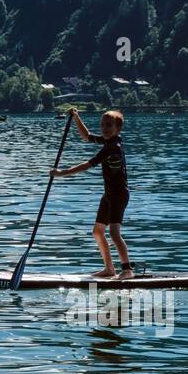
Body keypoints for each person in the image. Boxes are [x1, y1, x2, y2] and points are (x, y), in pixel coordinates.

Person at [51, 108, 133, 278]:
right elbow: (86, 136)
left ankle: (127, 270)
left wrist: (62, 173)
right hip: (109, 194)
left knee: (114, 233)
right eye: (102, 124)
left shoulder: (113, 147)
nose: (104, 128)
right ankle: (109, 269)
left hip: (119, 195)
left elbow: (87, 165)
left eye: (108, 125)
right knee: (97, 232)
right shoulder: (107, 141)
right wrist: (76, 117)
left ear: (118, 127)